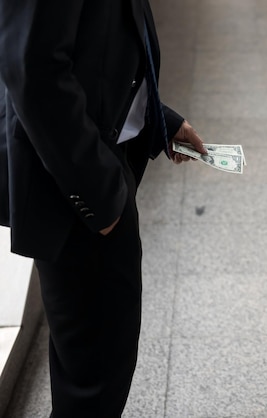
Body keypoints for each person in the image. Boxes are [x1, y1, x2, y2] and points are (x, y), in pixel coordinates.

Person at [0, 1, 206, 416]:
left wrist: (154, 116)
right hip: (72, 181)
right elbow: (32, 68)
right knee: (92, 381)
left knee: (102, 361)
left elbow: (102, 33)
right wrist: (98, 197)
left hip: (97, 159)